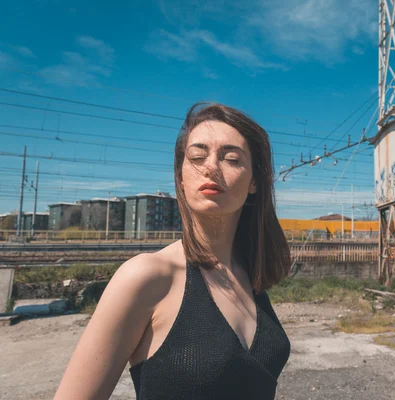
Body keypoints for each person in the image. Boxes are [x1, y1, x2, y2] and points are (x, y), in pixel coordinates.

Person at [54, 103, 292, 399]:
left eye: (231, 158)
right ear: (180, 176)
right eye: (196, 156)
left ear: (255, 180)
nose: (211, 167)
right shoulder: (146, 276)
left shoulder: (248, 273)